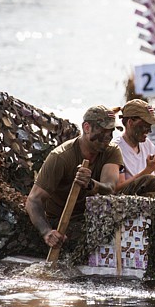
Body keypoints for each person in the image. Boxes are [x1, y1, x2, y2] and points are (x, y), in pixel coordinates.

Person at [25, 105, 123, 250]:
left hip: (92, 215)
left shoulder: (111, 151)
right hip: (63, 220)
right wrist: (47, 232)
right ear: (87, 127)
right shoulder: (61, 157)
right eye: (103, 131)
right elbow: (33, 200)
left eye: (111, 131)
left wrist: (91, 184)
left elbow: (109, 188)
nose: (108, 136)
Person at [112, 99, 155, 195]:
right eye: (145, 126)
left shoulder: (146, 144)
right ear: (130, 123)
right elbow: (117, 188)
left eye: (150, 126)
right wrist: (147, 170)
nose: (149, 131)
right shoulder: (116, 149)